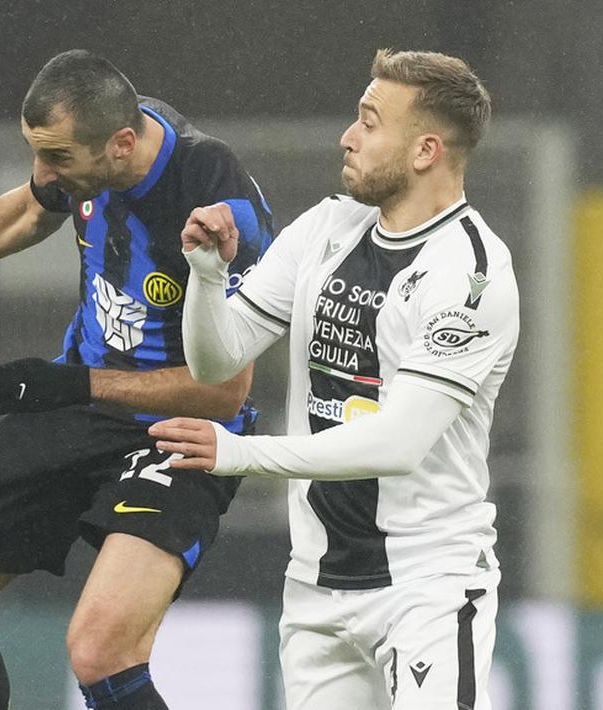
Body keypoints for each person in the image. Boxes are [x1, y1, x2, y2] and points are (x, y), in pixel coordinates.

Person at [0, 50, 273, 709]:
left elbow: (223, 392)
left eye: (58, 159)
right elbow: (29, 209)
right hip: (79, 399)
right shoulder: (98, 146)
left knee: (99, 653)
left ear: (122, 145)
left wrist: (72, 387)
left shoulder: (215, 208)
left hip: (182, 432)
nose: (45, 174)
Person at [151, 49, 516, 709]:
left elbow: (394, 445)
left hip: (426, 585)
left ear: (425, 150)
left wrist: (240, 454)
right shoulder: (325, 228)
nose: (347, 137)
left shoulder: (469, 275)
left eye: (370, 122)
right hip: (315, 586)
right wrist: (206, 277)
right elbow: (216, 359)